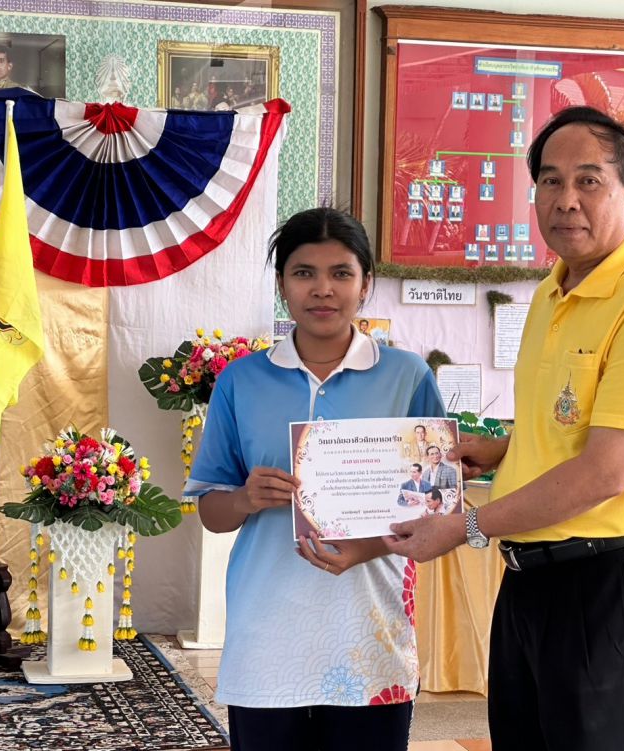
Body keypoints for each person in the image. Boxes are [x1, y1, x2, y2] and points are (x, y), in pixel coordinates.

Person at [386, 105, 624, 751]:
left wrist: (465, 526)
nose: (566, 200)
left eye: (589, 180)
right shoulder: (550, 293)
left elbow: (606, 472)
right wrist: (501, 448)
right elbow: (571, 428)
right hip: (531, 575)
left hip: (606, 578)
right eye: (550, 181)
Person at [186, 207, 445, 751]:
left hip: (371, 631)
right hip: (266, 632)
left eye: (341, 273)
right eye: (304, 273)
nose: (323, 289)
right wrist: (245, 499)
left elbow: (437, 510)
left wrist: (365, 548)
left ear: (366, 283)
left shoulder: (407, 376)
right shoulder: (241, 381)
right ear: (282, 285)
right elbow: (211, 513)